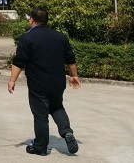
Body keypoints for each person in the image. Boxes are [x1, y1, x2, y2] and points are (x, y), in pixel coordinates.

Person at [9, 9, 80, 156]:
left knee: (40, 115)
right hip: (57, 83)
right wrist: (74, 76)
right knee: (57, 107)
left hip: (38, 84)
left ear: (32, 20)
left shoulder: (28, 38)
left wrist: (12, 80)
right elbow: (70, 59)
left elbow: (19, 61)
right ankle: (67, 132)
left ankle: (40, 147)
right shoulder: (60, 37)